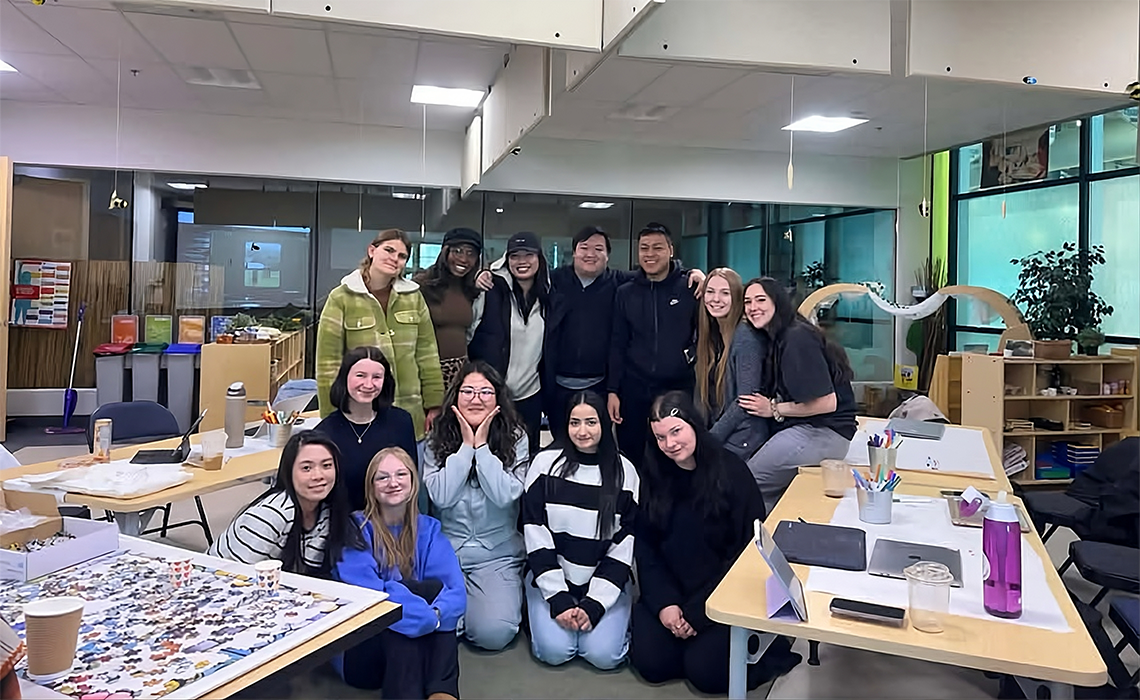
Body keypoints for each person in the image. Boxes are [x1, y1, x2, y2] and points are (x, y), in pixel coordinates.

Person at [630, 392, 801, 694]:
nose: (669, 444)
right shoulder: (654, 476)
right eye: (660, 437)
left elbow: (746, 554)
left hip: (722, 593)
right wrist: (666, 606)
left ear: (694, 425)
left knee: (705, 672)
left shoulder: (731, 472)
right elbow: (646, 548)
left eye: (676, 431)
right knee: (653, 664)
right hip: (673, 592)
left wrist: (697, 612)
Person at [542, 226, 704, 443]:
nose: (591, 254)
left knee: (602, 446)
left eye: (598, 249)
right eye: (584, 248)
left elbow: (658, 275)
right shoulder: (553, 282)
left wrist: (693, 273)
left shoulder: (619, 283)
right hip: (559, 385)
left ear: (608, 255)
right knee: (562, 445)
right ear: (574, 252)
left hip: (603, 385)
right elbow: (521, 275)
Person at [520, 391, 639, 670]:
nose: (582, 431)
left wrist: (594, 605)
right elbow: (535, 534)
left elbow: (624, 545)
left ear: (604, 424)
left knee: (603, 656)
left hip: (604, 580)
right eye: (575, 423)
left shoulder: (625, 472)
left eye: (591, 422)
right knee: (555, 652)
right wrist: (559, 599)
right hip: (550, 578)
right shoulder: (544, 465)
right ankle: (536, 610)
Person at [334, 447, 466, 700]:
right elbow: (373, 599)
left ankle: (441, 694)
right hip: (361, 655)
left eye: (400, 474)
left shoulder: (428, 528)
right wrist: (422, 613)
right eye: (382, 477)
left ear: (413, 482)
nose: (392, 483)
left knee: (429, 592)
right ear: (371, 486)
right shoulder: (355, 529)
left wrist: (433, 616)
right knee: (401, 608)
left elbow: (455, 591)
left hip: (418, 642)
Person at [423, 360, 530, 651]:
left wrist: (481, 447)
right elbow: (440, 496)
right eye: (467, 391)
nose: (476, 399)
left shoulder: (516, 436)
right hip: (447, 550)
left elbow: (505, 494)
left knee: (493, 634)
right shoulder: (437, 435)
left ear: (498, 398)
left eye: (485, 392)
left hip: (497, 553)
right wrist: (464, 448)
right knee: (435, 626)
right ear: (455, 395)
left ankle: (481, 602)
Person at [317, 228, 445, 445]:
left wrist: (434, 404)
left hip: (410, 413)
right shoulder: (342, 297)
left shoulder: (413, 297)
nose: (395, 258)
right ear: (371, 251)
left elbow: (427, 354)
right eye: (389, 250)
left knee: (407, 476)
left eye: (402, 256)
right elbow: (328, 363)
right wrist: (331, 416)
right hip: (358, 414)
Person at [739, 277, 857, 505]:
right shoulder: (777, 336)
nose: (753, 307)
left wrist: (773, 408)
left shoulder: (795, 338)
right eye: (748, 302)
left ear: (778, 302)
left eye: (761, 299)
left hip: (823, 432)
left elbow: (827, 403)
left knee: (747, 482)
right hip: (809, 429)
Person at [209, 431, 361, 577]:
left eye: (326, 466)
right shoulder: (271, 515)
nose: (318, 476)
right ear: (289, 472)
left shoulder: (327, 511)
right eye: (306, 468)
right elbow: (236, 577)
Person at [607, 223, 698, 464]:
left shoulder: (689, 287)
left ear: (670, 250)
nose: (650, 254)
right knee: (633, 456)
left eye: (657, 247)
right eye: (644, 248)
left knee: (675, 455)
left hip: (678, 389)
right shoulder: (625, 293)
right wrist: (612, 390)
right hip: (634, 390)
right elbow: (617, 343)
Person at [467, 232, 549, 453]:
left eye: (528, 255)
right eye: (515, 256)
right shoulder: (491, 289)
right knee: (489, 455)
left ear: (539, 259)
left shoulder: (548, 295)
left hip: (530, 395)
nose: (522, 261)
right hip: (491, 393)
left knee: (525, 457)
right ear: (507, 260)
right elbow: (468, 332)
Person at [316, 346, 418, 511]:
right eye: (360, 375)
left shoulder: (402, 422)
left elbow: (411, 481)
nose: (368, 384)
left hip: (392, 520)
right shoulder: (324, 433)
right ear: (345, 378)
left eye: (377, 377)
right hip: (343, 525)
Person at [414, 227, 485, 390]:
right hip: (427, 372)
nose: (464, 259)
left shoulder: (471, 289)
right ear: (445, 252)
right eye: (458, 251)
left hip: (460, 373)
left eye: (471, 254)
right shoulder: (422, 285)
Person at [694, 268, 744, 424]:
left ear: (736, 297)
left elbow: (742, 406)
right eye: (710, 291)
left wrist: (710, 441)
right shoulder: (710, 333)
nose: (716, 299)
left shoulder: (744, 336)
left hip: (738, 436)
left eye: (725, 293)